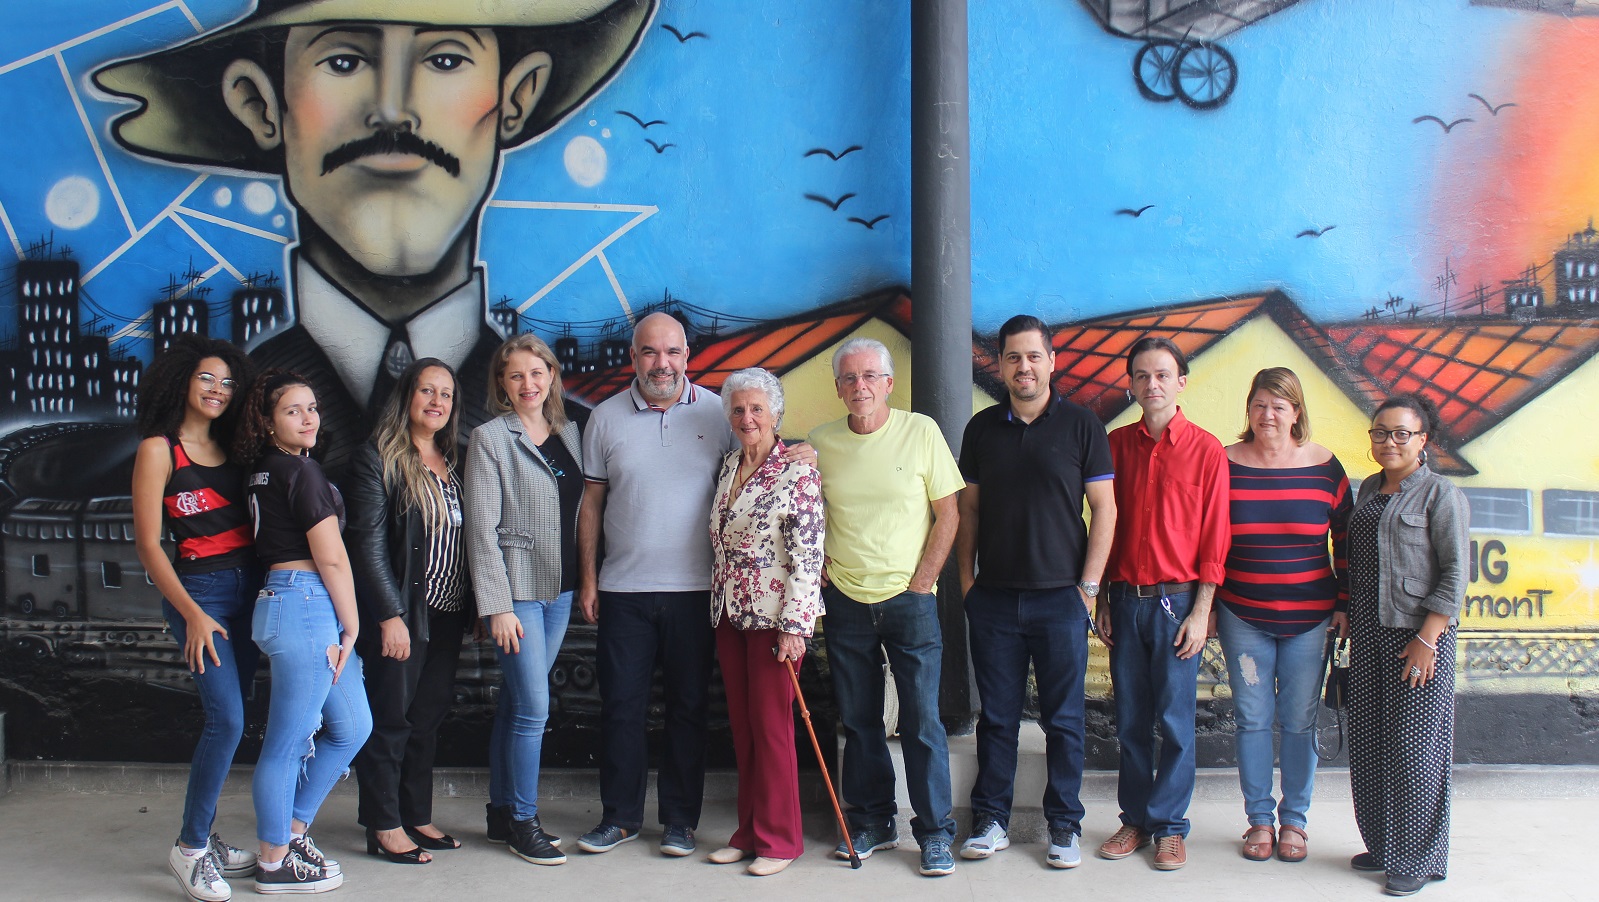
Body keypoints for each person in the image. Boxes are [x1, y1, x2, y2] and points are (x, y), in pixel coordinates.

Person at [93, 0, 657, 475]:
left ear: (516, 97)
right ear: (262, 105)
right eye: (344, 61)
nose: (392, 111)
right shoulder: (223, 427)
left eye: (444, 59)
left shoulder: (576, 441)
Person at [953, 315, 1116, 870]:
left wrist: (1088, 590)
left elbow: (1106, 510)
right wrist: (968, 584)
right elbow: (967, 511)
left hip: (1060, 601)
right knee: (996, 717)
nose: (1023, 367)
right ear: (999, 365)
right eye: (1012, 357)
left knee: (1064, 720)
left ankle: (1064, 827)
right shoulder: (979, 430)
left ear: (1051, 360)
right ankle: (991, 820)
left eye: (1033, 356)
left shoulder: (1082, 426)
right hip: (994, 599)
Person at [574, 312, 733, 858]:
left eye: (670, 352)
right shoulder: (604, 418)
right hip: (623, 590)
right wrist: (590, 579)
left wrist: (802, 453)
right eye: (648, 352)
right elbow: (592, 502)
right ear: (633, 356)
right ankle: (618, 818)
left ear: (687, 355)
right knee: (621, 706)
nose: (660, 364)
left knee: (690, 708)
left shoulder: (719, 412)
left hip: (697, 591)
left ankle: (680, 822)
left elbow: (760, 466)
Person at [809, 337, 964, 878]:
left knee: (923, 722)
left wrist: (924, 582)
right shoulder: (820, 443)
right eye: (850, 379)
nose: (860, 387)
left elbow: (949, 515)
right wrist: (818, 566)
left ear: (889, 384)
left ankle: (935, 832)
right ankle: (874, 819)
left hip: (910, 601)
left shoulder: (921, 432)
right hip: (846, 600)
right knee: (859, 720)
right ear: (837, 389)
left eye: (870, 376)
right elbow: (803, 511)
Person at [132, 335, 259, 902]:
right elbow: (149, 548)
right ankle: (188, 850)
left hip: (251, 593)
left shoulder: (239, 445)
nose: (217, 389)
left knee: (238, 719)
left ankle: (204, 837)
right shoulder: (160, 450)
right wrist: (193, 615)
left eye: (228, 382)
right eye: (208, 378)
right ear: (183, 381)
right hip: (199, 596)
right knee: (226, 720)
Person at [1096, 336, 1229, 871]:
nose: (1152, 384)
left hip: (1178, 605)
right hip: (1126, 603)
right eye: (1142, 375)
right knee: (1129, 718)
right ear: (1130, 383)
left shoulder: (1206, 449)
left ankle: (1171, 826)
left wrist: (1203, 611)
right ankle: (1135, 820)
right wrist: (1103, 596)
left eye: (1163, 375)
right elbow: (1103, 526)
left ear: (1181, 382)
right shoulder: (1114, 446)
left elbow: (1216, 538)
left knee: (1175, 721)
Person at [238, 371, 373, 894]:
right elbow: (332, 558)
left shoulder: (264, 472)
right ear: (269, 422)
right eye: (293, 410)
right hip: (308, 602)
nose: (308, 417)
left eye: (312, 407)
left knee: (352, 725)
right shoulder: (301, 473)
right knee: (289, 743)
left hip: (285, 601)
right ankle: (274, 862)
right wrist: (353, 622)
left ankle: (291, 831)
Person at [1217, 367, 1352, 863]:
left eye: (1279, 405)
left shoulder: (1326, 468)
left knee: (1298, 721)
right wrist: (1208, 606)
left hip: (1312, 619)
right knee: (1252, 719)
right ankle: (1258, 820)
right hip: (1243, 614)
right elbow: (1209, 540)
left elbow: (1346, 544)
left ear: (1297, 412)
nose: (1267, 414)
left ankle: (1295, 821)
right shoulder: (1223, 463)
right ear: (1247, 410)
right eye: (1259, 404)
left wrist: (1343, 607)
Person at [466, 335, 584, 866]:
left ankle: (499, 812)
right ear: (501, 385)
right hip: (517, 595)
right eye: (516, 376)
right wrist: (497, 606)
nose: (528, 384)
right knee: (534, 708)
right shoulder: (490, 438)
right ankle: (522, 819)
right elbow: (481, 532)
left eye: (537, 373)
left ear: (552, 377)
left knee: (517, 704)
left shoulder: (570, 433)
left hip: (559, 590)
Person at [348, 359, 470, 865]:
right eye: (426, 390)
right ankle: (384, 824)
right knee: (390, 719)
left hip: (448, 614)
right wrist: (389, 615)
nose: (436, 401)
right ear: (407, 397)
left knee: (426, 718)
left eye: (445, 394)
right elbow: (367, 545)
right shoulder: (377, 459)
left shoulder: (452, 460)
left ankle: (416, 814)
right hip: (405, 615)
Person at [1346, 394, 1468, 897]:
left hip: (1417, 638)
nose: (1389, 441)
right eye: (1380, 432)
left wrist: (1427, 639)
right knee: (1370, 743)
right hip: (1370, 635)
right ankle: (1384, 844)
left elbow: (1456, 574)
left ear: (1423, 441)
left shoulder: (1441, 495)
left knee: (1416, 750)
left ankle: (1418, 856)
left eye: (1401, 433)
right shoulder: (1370, 489)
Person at [704, 368, 824, 877]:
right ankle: (748, 832)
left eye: (757, 409)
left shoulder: (797, 470)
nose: (747, 418)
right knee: (744, 726)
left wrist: (796, 627)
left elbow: (809, 553)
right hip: (730, 612)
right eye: (738, 409)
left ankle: (780, 839)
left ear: (776, 413)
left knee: (772, 727)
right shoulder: (729, 464)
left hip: (776, 620)